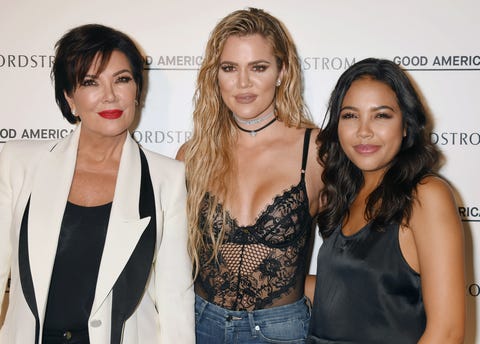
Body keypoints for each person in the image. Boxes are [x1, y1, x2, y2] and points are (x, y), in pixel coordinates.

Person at [0, 24, 194, 344]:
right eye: (91, 82)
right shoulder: (19, 163)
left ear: (137, 90)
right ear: (69, 98)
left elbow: (176, 300)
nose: (110, 95)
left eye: (122, 79)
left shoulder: (166, 179)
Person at [176, 7, 323, 344]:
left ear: (282, 71)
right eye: (230, 68)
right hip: (199, 325)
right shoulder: (192, 155)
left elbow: (356, 252)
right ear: (216, 75)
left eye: (258, 67)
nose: (243, 83)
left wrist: (306, 291)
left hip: (281, 331)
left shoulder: (316, 151)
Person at [307, 58, 465, 343]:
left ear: (406, 125)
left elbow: (448, 332)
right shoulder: (346, 195)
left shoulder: (426, 195)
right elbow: (355, 294)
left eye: (381, 115)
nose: (364, 130)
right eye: (350, 116)